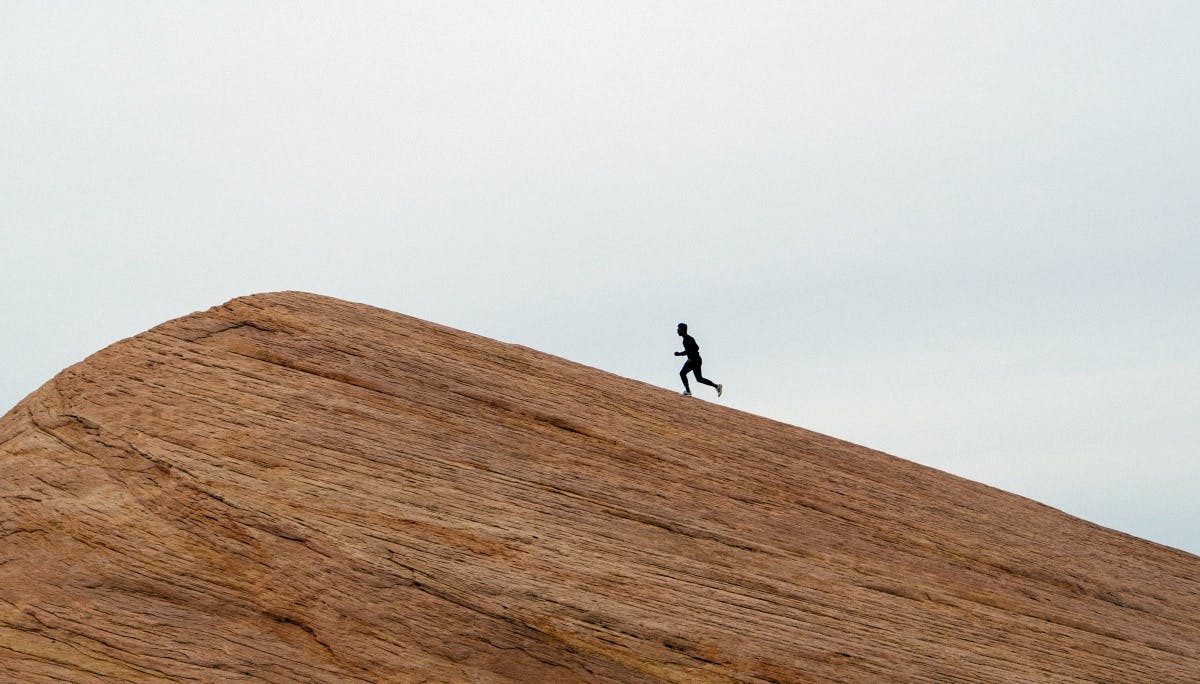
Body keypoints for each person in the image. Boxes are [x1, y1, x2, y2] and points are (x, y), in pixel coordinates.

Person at [675, 323, 723, 397]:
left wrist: (688, 357)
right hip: (696, 360)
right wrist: (682, 354)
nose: (677, 330)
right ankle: (717, 386)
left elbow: (696, 348)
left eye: (679, 329)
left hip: (694, 360)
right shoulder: (686, 339)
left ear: (683, 330)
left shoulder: (688, 339)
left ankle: (688, 391)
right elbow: (691, 349)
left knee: (682, 373)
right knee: (699, 379)